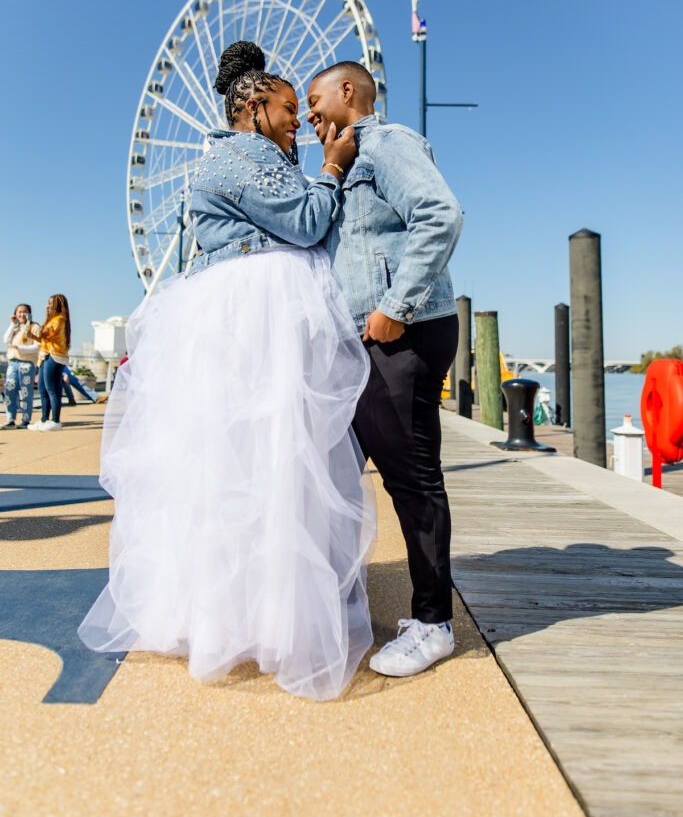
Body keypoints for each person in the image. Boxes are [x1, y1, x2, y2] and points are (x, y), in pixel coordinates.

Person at [79, 41, 374, 701]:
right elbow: (303, 224)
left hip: (238, 308)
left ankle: (240, 614)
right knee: (269, 465)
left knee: (238, 468)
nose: (299, 121)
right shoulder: (240, 157)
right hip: (254, 310)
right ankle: (270, 616)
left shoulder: (249, 158)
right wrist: (330, 168)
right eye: (289, 108)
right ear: (252, 105)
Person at [307, 61, 463, 678]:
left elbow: (440, 213)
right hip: (370, 341)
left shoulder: (387, 144)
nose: (312, 118)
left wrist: (395, 306)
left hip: (405, 333)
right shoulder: (348, 163)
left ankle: (433, 626)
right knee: (342, 472)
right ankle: (411, 612)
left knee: (413, 478)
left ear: (350, 92)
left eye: (316, 103)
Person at [27, 294, 71, 432]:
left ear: (57, 304)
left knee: (52, 389)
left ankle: (55, 421)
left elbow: (45, 334)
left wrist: (33, 325)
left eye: (51, 303)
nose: (48, 306)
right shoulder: (52, 320)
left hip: (54, 356)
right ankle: (44, 419)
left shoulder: (60, 320)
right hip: (45, 355)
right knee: (42, 388)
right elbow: (42, 338)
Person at [2, 304, 40, 429]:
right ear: (15, 314)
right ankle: (10, 419)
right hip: (13, 362)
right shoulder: (15, 328)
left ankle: (25, 420)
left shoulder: (34, 327)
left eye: (25, 312)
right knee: (9, 391)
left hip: (27, 363)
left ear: (29, 313)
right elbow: (6, 340)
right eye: (20, 312)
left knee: (25, 392)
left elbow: (38, 346)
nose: (22, 314)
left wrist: (21, 348)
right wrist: (12, 324)